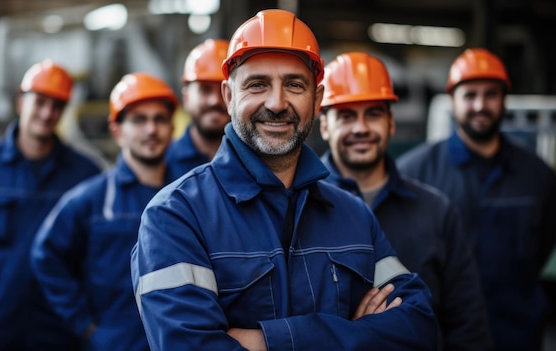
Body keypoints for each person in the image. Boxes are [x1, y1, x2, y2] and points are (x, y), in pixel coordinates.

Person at [131, 9, 437, 351]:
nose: (277, 104)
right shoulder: (175, 216)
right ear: (229, 97)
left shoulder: (353, 215)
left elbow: (419, 327)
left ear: (317, 100)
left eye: (294, 84)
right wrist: (356, 335)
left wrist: (267, 340)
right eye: (257, 84)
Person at [318, 51, 492, 350]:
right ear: (324, 127)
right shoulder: (297, 208)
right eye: (346, 115)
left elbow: (467, 325)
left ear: (391, 123)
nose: (360, 128)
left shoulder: (436, 212)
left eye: (373, 113)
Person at [0, 60, 103, 351]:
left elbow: (98, 248)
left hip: (58, 328)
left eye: (57, 105)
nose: (47, 113)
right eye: (40, 102)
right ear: (20, 101)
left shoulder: (85, 175)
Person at [397, 48, 556, 351]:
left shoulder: (537, 175)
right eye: (469, 95)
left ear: (503, 99)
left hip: (517, 333)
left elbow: (544, 242)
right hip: (441, 334)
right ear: (452, 100)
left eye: (490, 94)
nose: (480, 105)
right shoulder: (415, 172)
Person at [31, 73, 177, 351]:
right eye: (139, 120)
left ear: (172, 127)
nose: (151, 129)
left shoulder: (188, 197)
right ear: (117, 130)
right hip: (115, 342)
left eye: (160, 119)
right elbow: (45, 256)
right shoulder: (91, 200)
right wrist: (85, 326)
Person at [166, 38, 230, 179]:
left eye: (224, 89)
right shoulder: (164, 163)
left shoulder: (257, 160)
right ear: (186, 97)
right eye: (205, 90)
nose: (215, 100)